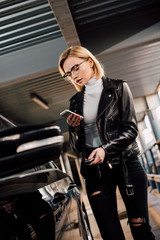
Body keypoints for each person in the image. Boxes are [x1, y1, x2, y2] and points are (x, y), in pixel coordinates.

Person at [58, 45, 155, 240]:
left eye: (75, 68)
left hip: (127, 165)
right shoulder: (76, 102)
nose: (72, 76)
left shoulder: (118, 88)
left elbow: (131, 130)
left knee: (140, 227)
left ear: (90, 62)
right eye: (68, 73)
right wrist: (75, 130)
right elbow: (77, 149)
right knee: (110, 233)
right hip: (95, 172)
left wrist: (105, 149)